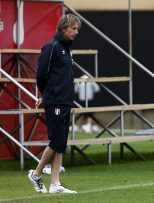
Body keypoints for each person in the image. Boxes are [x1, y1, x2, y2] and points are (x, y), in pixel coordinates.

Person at [28, 14, 81, 194]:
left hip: (65, 101)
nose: (76, 32)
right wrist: (46, 96)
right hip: (56, 101)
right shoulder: (52, 47)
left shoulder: (66, 49)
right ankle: (36, 174)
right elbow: (41, 75)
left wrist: (47, 96)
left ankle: (55, 184)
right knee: (57, 141)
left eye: (77, 29)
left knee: (61, 143)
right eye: (73, 29)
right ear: (63, 28)